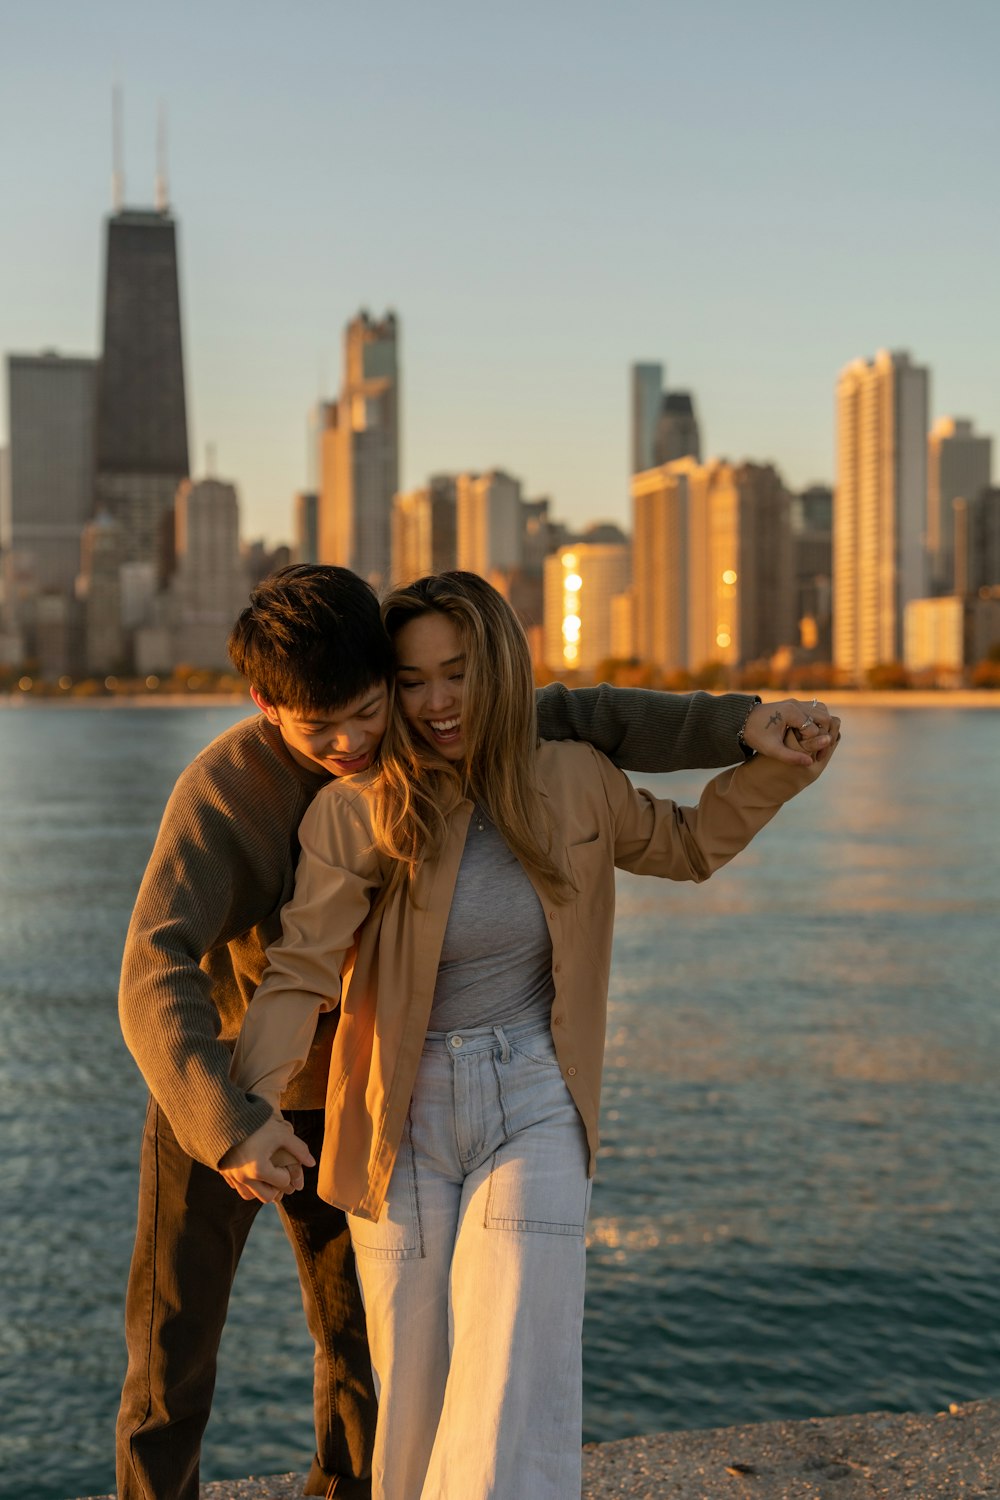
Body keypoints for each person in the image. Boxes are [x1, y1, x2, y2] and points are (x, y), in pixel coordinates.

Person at [116, 562, 835, 1500]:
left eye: (373, 707)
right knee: (174, 1350)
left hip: (371, 1080)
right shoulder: (252, 790)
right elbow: (163, 966)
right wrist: (229, 1118)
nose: (353, 738)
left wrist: (750, 731)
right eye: (322, 722)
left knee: (363, 1357)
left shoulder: (495, 753)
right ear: (265, 704)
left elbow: (601, 721)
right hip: (218, 1073)